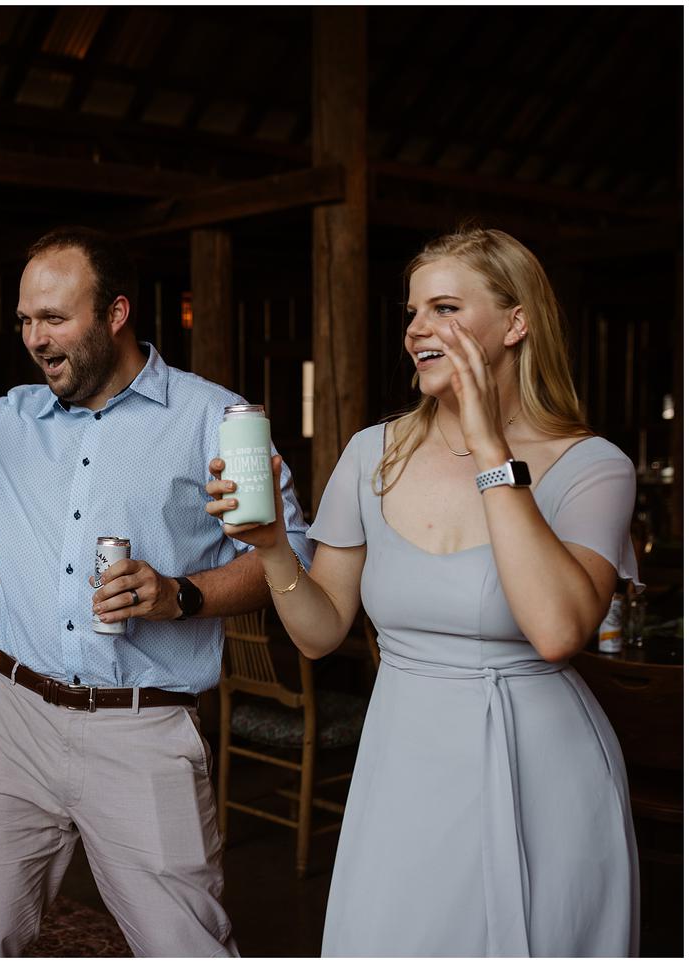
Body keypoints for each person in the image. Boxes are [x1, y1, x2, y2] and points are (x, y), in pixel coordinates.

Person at [0, 226, 313, 956]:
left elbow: (293, 560)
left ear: (116, 313)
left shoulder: (214, 419)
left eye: (55, 318)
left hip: (143, 727)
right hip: (13, 717)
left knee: (182, 943)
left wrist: (180, 596)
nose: (36, 338)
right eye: (26, 320)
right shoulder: (6, 420)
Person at [207, 226, 639, 956]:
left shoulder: (594, 466)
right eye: (412, 313)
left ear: (515, 322)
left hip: (543, 767)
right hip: (402, 757)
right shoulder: (372, 453)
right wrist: (275, 546)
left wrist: (490, 448)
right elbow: (319, 632)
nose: (416, 331)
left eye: (444, 308)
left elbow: (558, 630)